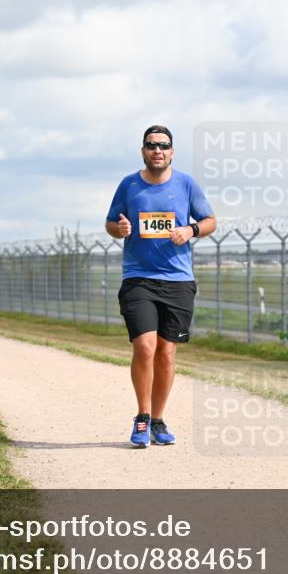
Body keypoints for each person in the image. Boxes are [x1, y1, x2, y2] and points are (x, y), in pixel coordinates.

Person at [105, 125, 217, 448]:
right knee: (144, 347)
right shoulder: (129, 185)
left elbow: (210, 220)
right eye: (152, 145)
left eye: (164, 146)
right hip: (138, 278)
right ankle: (141, 416)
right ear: (143, 151)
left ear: (172, 152)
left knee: (166, 353)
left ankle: (157, 419)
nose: (158, 151)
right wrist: (120, 228)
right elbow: (111, 222)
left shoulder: (186, 184)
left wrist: (191, 230)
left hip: (178, 280)